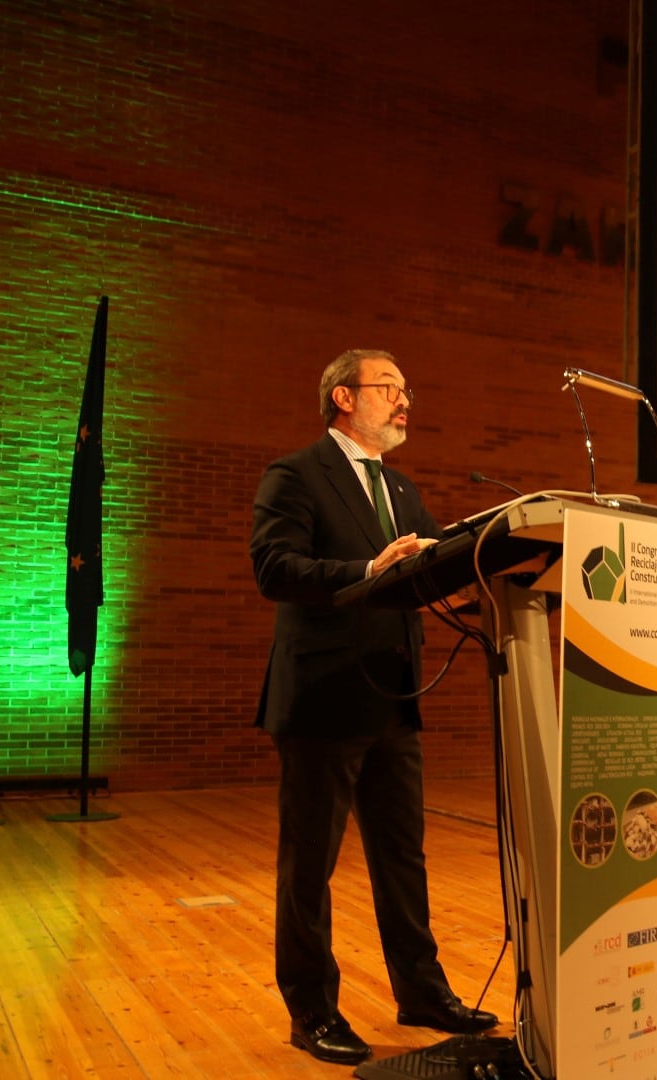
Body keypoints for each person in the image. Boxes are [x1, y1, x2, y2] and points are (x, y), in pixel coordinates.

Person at [251, 348, 498, 1065]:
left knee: (402, 860)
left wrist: (482, 578)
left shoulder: (400, 488)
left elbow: (431, 574)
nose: (403, 402)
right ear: (342, 397)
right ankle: (313, 1011)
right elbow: (274, 567)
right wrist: (367, 570)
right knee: (310, 869)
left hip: (393, 699)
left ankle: (421, 992)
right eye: (389, 388)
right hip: (324, 701)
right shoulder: (295, 475)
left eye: (405, 390)